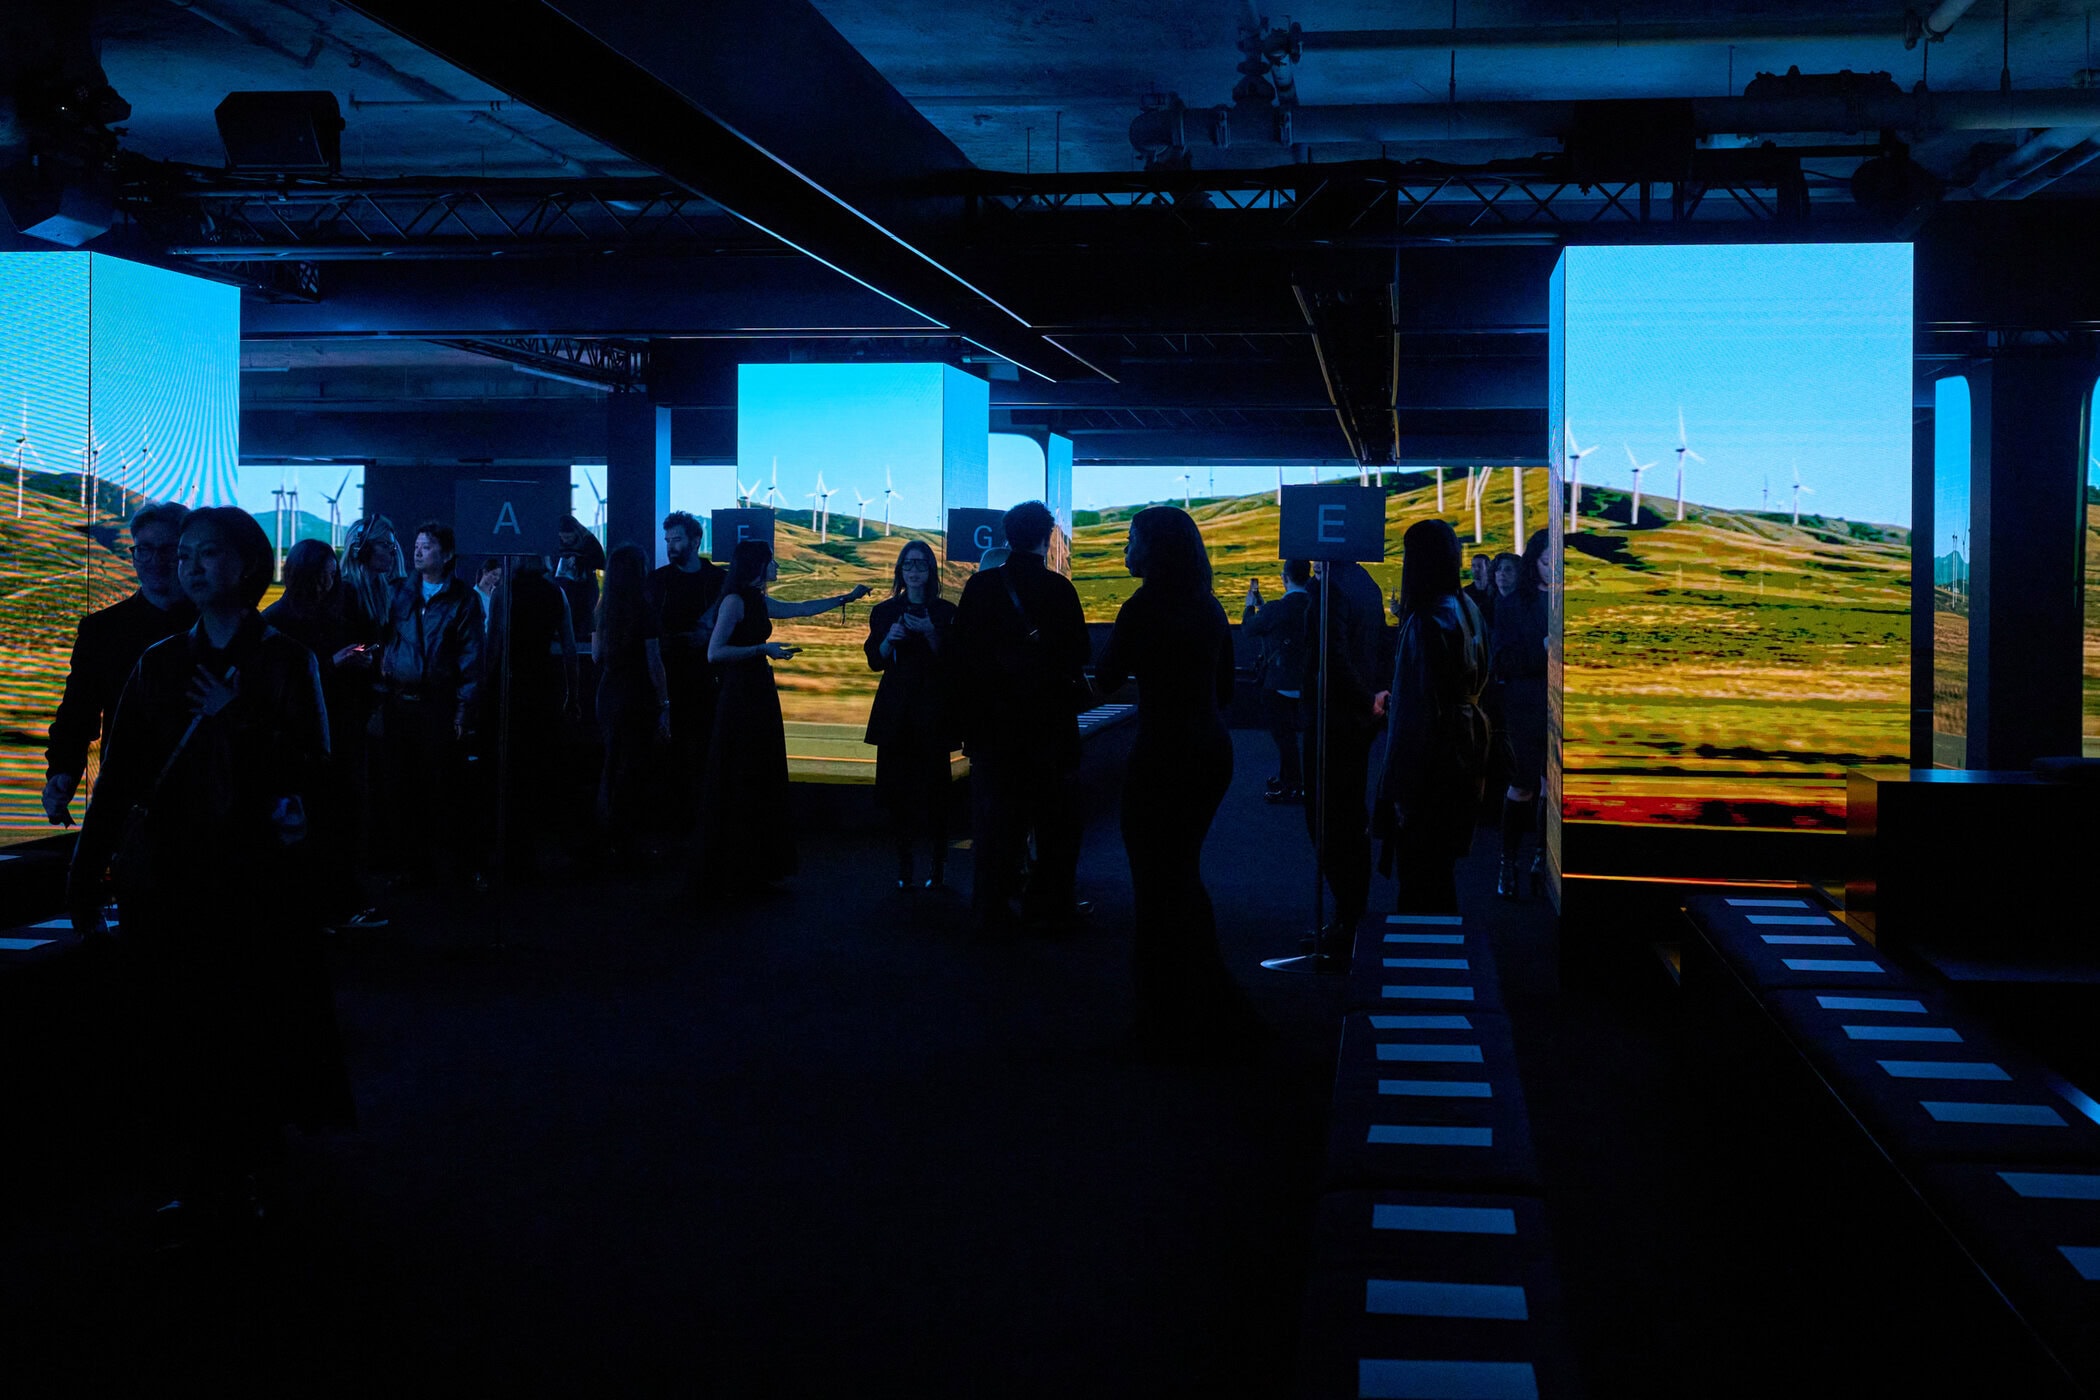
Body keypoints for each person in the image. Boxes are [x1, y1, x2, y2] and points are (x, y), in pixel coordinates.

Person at [66, 507, 351, 1234]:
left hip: (254, 879)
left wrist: (239, 719)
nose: (190, 567)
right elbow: (121, 777)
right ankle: (199, 1176)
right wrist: (87, 868)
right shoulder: (159, 662)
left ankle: (250, 1171)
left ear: (247, 564)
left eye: (208, 554)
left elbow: (317, 771)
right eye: (184, 555)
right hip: (174, 877)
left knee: (248, 1028)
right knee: (182, 1030)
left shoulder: (287, 660)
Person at [1094, 507, 1263, 1055]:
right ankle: (1205, 1000)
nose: (1125, 548)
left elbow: (1106, 678)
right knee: (1180, 874)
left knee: (1154, 883)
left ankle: (1162, 1014)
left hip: (1162, 755)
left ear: (1154, 548)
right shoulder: (1208, 605)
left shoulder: (1142, 606)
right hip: (1209, 750)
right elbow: (1225, 691)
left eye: (1131, 539)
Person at [952, 501, 1092, 936]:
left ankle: (991, 910)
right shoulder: (1059, 590)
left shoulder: (980, 587)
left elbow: (961, 655)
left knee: (995, 823)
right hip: (1048, 725)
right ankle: (1049, 907)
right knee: (1053, 823)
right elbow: (1079, 653)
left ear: (1006, 536)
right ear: (1047, 537)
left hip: (993, 728)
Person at [695, 540, 868, 892]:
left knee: (757, 771)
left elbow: (800, 609)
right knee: (743, 771)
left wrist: (846, 598)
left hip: (757, 691)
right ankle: (739, 863)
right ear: (757, 565)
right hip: (741, 696)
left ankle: (754, 863)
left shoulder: (756, 599)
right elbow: (715, 652)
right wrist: (763, 648)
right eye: (771, 562)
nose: (776, 568)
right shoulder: (734, 601)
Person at [42, 501, 196, 827]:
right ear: (134, 555)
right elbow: (78, 713)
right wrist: (62, 772)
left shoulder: (216, 626)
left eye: (167, 550)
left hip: (204, 794)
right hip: (126, 794)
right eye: (145, 550)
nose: (155, 560)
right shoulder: (101, 630)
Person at [1375, 519, 1492, 914]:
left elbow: (1414, 715)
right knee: (1441, 870)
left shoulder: (1425, 620)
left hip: (1432, 761)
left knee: (1419, 874)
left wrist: (1399, 789)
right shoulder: (1467, 607)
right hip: (1466, 746)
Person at [371, 520, 483, 887]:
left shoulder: (462, 599)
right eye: (417, 545)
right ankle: (411, 867)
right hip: (399, 703)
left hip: (437, 704)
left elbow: (470, 659)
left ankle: (444, 869)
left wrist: (463, 711)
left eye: (427, 546)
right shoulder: (399, 592)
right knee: (401, 787)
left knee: (439, 787)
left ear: (447, 554)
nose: (418, 552)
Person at [263, 539, 369, 922]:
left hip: (342, 728)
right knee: (314, 818)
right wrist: (332, 664)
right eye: (321, 575)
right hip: (302, 738)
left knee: (343, 815)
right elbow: (278, 686)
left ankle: (339, 900)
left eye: (332, 574)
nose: (328, 582)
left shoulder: (336, 612)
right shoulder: (278, 620)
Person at [1298, 556, 1387, 952]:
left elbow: (1331, 658)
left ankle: (1345, 921)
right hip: (1359, 721)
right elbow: (1376, 647)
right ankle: (1352, 916)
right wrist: (1374, 697)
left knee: (1326, 820)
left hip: (1332, 720)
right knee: (1350, 818)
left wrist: (1365, 698)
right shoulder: (1365, 583)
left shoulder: (1328, 588)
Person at [863, 539, 959, 891]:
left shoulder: (946, 612)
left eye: (920, 564)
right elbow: (875, 660)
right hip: (896, 712)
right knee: (897, 793)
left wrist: (931, 632)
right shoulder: (885, 611)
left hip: (933, 711)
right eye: (908, 564)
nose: (914, 571)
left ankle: (938, 862)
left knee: (936, 793)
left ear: (931, 570)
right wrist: (889, 639)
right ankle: (904, 864)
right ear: (900, 571)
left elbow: (954, 661)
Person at [482, 551, 578, 879]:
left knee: (509, 771)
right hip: (543, 686)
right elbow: (568, 647)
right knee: (542, 769)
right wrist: (573, 694)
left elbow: (494, 644)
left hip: (510, 686)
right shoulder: (555, 593)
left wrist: (484, 690)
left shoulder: (503, 592)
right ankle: (545, 848)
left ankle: (511, 851)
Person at [649, 512, 728, 833]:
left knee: (708, 752)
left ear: (696, 541)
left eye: (677, 539)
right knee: (673, 755)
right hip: (671, 680)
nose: (671, 546)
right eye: (668, 540)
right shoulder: (658, 581)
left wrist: (707, 638)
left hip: (710, 680)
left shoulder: (718, 580)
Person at [594, 543, 670, 865]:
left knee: (611, 764)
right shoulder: (644, 608)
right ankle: (625, 841)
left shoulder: (604, 607)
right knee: (633, 768)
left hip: (609, 690)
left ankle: (606, 837)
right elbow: (654, 662)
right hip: (637, 694)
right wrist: (664, 702)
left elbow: (596, 655)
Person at [1492, 531, 1551, 899]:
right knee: (1523, 784)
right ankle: (1508, 861)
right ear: (1534, 562)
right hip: (1526, 706)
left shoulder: (1570, 602)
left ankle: (1543, 858)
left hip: (1561, 707)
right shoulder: (1513, 605)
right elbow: (1503, 660)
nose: (1553, 570)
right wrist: (1542, 649)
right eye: (1546, 562)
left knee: (1551, 787)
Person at [1243, 559, 1312, 804]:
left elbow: (1249, 629)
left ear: (1285, 578)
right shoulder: (1317, 605)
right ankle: (1291, 778)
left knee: (1285, 738)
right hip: (1309, 683)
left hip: (1279, 682)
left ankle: (1292, 784)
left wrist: (1250, 607)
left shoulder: (1276, 609)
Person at [341, 515, 405, 642]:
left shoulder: (384, 592)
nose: (393, 553)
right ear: (363, 549)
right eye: (385, 545)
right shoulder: (343, 593)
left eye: (392, 546)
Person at [1464, 552, 1499, 627]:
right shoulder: (1465, 593)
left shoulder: (1496, 591)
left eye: (1479, 566)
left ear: (1488, 568)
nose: (1476, 569)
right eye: (1473, 566)